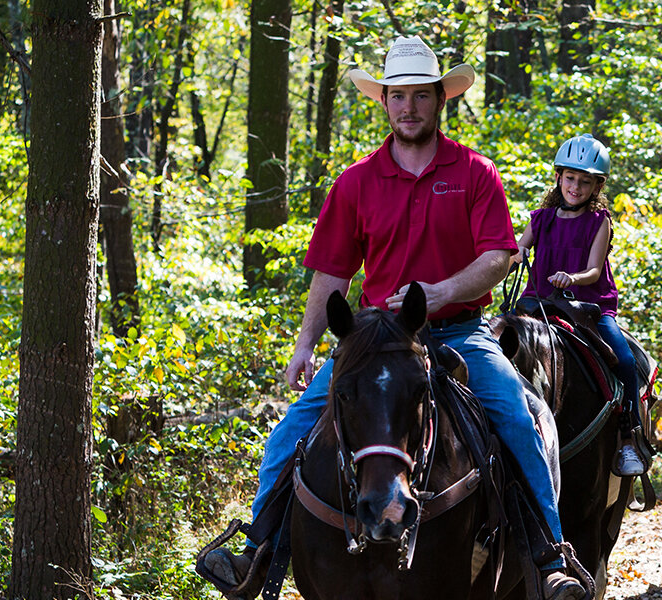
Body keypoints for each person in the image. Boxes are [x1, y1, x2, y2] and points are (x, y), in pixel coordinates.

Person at [200, 36, 584, 600]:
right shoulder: (356, 181)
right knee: (290, 432)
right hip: (375, 340)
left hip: (459, 332)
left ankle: (549, 559)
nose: (410, 107)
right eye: (398, 96)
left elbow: (498, 256)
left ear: (439, 101)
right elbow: (331, 271)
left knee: (517, 417)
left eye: (421, 96)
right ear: (384, 102)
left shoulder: (475, 173)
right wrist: (305, 343)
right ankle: (257, 550)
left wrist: (438, 290)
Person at [512, 133, 649, 477]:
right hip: (539, 301)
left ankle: (628, 435)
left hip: (588, 304)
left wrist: (571, 278)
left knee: (625, 358)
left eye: (585, 181)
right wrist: (512, 255)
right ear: (558, 177)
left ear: (596, 185)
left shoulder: (599, 221)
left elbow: (592, 269)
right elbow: (519, 247)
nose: (575, 186)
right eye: (570, 178)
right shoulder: (541, 217)